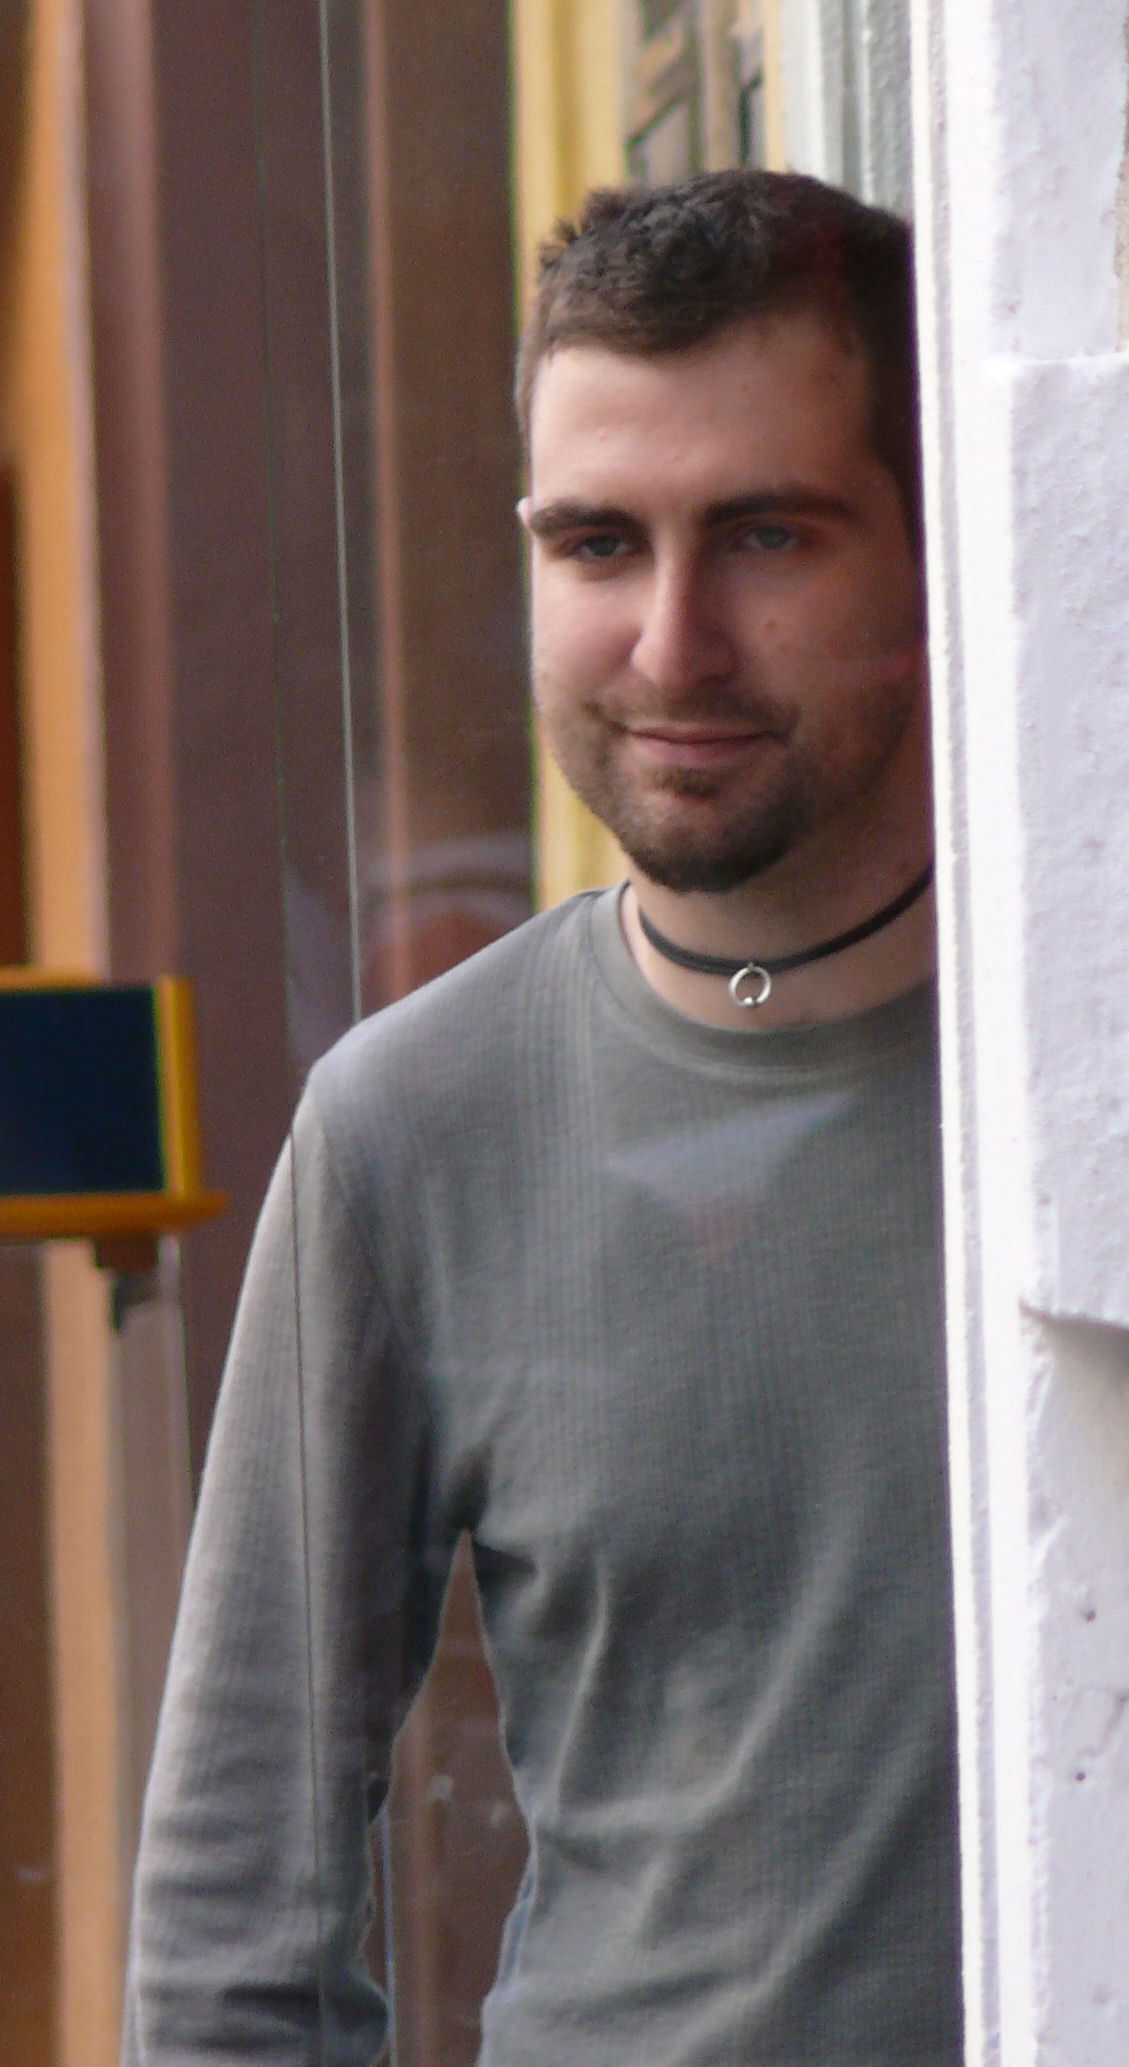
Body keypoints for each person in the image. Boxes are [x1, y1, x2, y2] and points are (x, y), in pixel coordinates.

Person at [123, 171, 960, 2066]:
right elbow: (233, 1933)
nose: (670, 646)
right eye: (594, 544)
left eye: (764, 534)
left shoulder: (1078, 1071)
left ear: (938, 551)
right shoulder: (408, 1126)